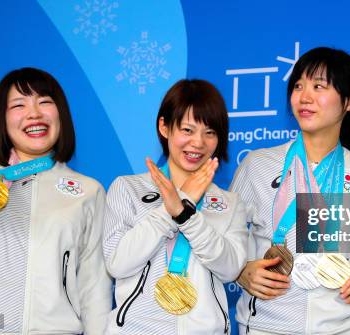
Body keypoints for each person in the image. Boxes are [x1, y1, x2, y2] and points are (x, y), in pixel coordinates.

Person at [0, 67, 111, 334]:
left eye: (45, 102)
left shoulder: (89, 190)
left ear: (60, 115)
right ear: (1, 119)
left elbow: (94, 282)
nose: (34, 113)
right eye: (19, 105)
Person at [232, 47, 350, 335]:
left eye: (319, 86)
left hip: (342, 327)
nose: (304, 97)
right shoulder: (257, 165)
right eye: (298, 86)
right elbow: (223, 237)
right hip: (264, 326)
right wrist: (241, 270)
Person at [102, 79, 247, 335]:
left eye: (210, 132)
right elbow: (118, 263)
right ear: (165, 127)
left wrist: (185, 213)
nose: (198, 143)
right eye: (188, 130)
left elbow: (230, 269)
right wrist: (169, 210)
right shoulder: (127, 188)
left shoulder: (229, 202)